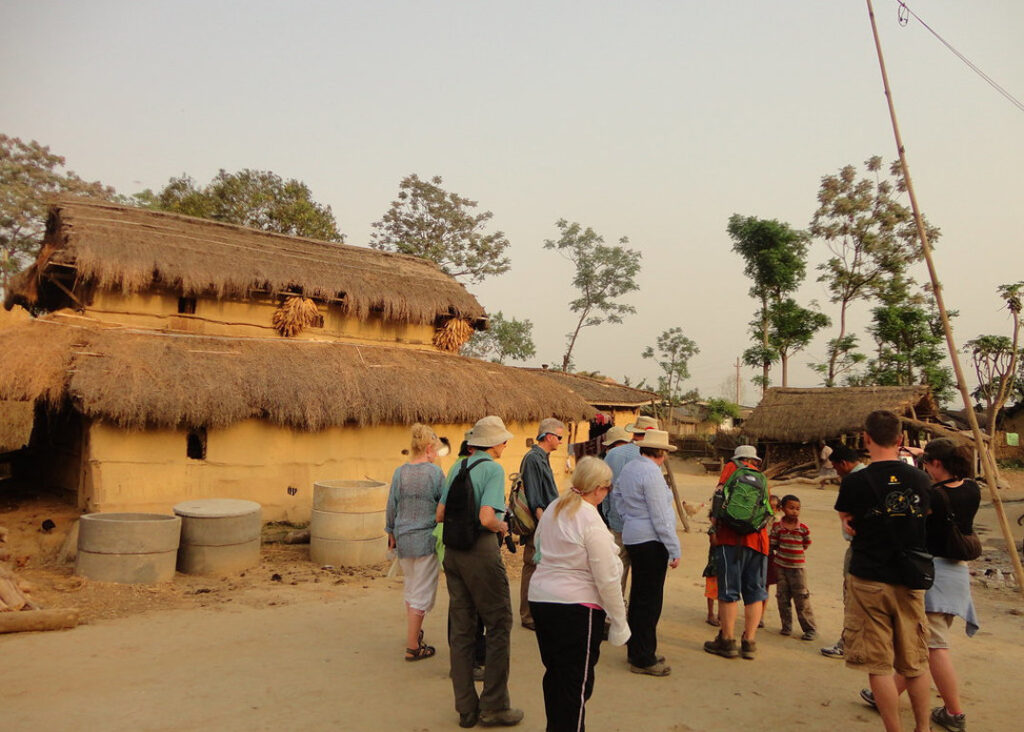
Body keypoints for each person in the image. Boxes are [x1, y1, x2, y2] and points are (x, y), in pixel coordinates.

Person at [860, 438, 981, 732]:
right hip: (958, 574)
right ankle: (886, 695)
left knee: (934, 647)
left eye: (927, 464)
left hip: (934, 572)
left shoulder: (933, 496)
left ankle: (954, 712)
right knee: (922, 644)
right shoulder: (972, 488)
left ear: (936, 464)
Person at [835, 410, 932, 732]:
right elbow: (925, 517)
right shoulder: (921, 478)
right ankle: (922, 727)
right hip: (910, 578)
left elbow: (847, 522)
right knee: (914, 662)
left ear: (866, 438)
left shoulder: (855, 481)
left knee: (877, 664)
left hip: (869, 577)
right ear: (901, 440)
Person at [529, 456, 629, 731]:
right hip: (575, 606)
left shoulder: (554, 508)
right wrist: (619, 620)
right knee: (576, 683)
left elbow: (539, 547)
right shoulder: (589, 519)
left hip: (542, 598)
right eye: (607, 488)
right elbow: (607, 576)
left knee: (557, 675)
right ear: (598, 489)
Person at [438, 415, 524, 728]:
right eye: (503, 439)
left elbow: (440, 513)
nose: (505, 444)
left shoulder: (457, 467)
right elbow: (487, 516)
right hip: (481, 552)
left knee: (462, 630)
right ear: (492, 443)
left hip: (454, 553)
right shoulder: (493, 469)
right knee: (499, 624)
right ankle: (495, 705)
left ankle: (466, 709)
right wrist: (502, 525)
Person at [613, 428, 680, 676]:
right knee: (649, 600)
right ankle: (643, 656)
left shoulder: (631, 467)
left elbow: (617, 493)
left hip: (634, 534)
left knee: (640, 596)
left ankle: (638, 649)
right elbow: (661, 517)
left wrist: (627, 515)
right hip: (651, 540)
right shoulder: (651, 473)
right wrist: (674, 548)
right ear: (661, 452)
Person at [386, 423, 445, 661]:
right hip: (425, 538)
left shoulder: (400, 472)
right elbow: (444, 504)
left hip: (403, 538)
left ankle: (414, 634)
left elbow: (392, 504)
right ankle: (413, 645)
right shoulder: (435, 474)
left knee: (411, 587)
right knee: (421, 591)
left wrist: (390, 531)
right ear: (429, 448)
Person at [704, 444, 769, 660]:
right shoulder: (761, 478)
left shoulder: (731, 469)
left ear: (737, 458)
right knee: (755, 591)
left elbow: (718, 501)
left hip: (730, 540)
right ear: (755, 460)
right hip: (758, 542)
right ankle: (749, 642)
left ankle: (728, 640)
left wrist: (713, 527)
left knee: (729, 591)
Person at [518, 417, 565, 631]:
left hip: (544, 521)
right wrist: (544, 525)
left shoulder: (541, 457)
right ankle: (528, 616)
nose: (561, 441)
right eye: (559, 437)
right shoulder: (534, 459)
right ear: (548, 436)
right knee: (532, 565)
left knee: (540, 567)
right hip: (539, 523)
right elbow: (536, 498)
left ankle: (535, 611)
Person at [821, 443, 865, 659]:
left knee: (853, 596)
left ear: (844, 464)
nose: (836, 473)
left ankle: (848, 642)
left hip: (860, 548)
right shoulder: (874, 476)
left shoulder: (853, 482)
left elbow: (848, 519)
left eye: (837, 468)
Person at [770, 494, 817, 640]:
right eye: (791, 508)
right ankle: (786, 626)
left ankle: (809, 629)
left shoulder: (803, 528)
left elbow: (806, 543)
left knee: (801, 598)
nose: (794, 511)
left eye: (797, 509)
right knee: (782, 598)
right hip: (781, 567)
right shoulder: (777, 527)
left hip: (797, 568)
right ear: (782, 509)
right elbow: (773, 543)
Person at [599, 424, 635, 593]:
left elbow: (604, 489)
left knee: (618, 566)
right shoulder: (643, 454)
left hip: (618, 522)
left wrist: (607, 513)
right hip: (640, 525)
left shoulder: (610, 457)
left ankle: (616, 605)